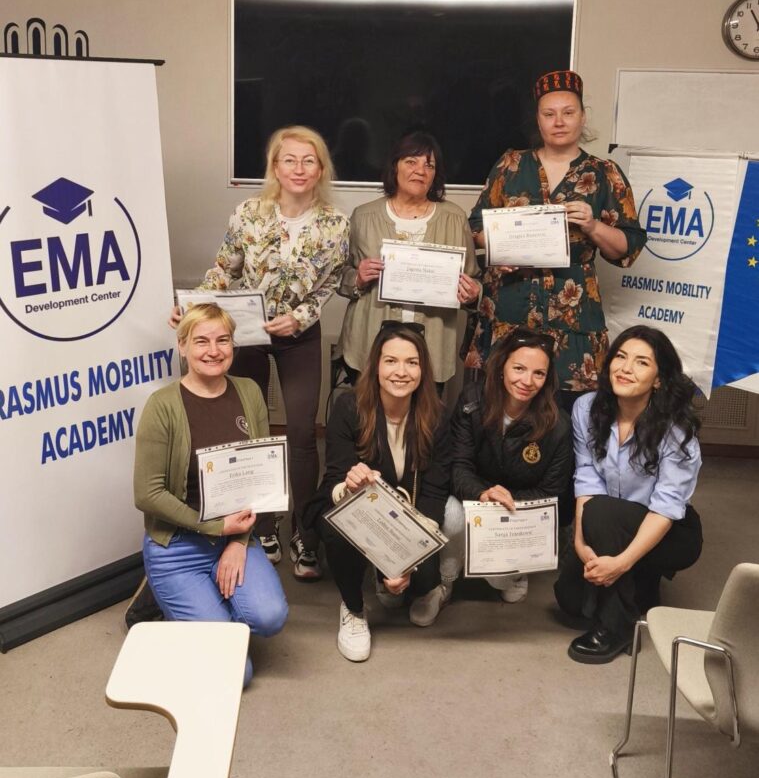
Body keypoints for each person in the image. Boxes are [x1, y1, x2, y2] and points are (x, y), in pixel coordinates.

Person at [174, 125, 350, 580]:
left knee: (301, 433)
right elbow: (224, 269)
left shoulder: (335, 223)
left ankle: (304, 533)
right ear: (275, 166)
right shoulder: (248, 214)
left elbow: (331, 282)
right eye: (289, 159)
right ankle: (263, 526)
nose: (298, 169)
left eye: (308, 160)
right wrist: (192, 308)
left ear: (321, 169)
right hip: (248, 333)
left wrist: (301, 317)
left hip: (299, 338)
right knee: (250, 430)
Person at [466, 70, 647, 413]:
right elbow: (476, 224)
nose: (559, 122)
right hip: (510, 304)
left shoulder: (604, 173)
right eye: (549, 114)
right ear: (538, 120)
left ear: (583, 116)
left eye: (568, 112)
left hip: (572, 315)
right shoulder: (511, 165)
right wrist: (500, 249)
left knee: (568, 413)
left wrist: (593, 225)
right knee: (497, 408)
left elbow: (628, 247)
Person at [134, 304, 288, 688]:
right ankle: (173, 603)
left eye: (223, 340)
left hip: (233, 536)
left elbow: (260, 477)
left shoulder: (249, 391)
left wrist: (237, 542)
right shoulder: (162, 406)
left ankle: (202, 617)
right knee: (240, 675)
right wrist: (216, 528)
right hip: (178, 547)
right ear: (182, 346)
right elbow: (147, 494)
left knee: (270, 617)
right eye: (201, 341)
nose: (213, 351)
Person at [554, 326, 703, 664]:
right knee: (570, 601)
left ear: (659, 379)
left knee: (604, 513)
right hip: (604, 523)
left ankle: (615, 629)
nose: (625, 368)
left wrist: (620, 564)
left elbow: (666, 508)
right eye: (620, 357)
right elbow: (586, 479)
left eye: (641, 362)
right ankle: (641, 579)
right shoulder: (586, 408)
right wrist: (580, 544)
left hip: (668, 529)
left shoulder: (676, 428)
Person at [304, 324, 451, 662]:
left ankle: (430, 585)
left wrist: (406, 560)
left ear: (424, 370)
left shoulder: (438, 416)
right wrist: (349, 485)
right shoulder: (349, 407)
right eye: (391, 361)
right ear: (376, 365)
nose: (401, 372)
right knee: (336, 525)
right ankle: (353, 608)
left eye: (412, 362)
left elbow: (434, 491)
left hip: (411, 516)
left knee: (419, 583)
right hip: (363, 512)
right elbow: (333, 480)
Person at [441, 327, 573, 605]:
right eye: (519, 368)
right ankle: (445, 580)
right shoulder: (472, 400)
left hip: (517, 509)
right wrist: (483, 495)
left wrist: (506, 503)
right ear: (502, 367)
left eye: (539, 373)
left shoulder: (558, 425)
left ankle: (512, 575)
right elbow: (457, 464)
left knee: (504, 586)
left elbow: (552, 492)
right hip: (475, 496)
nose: (527, 381)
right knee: (451, 516)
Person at [337, 131, 480, 387]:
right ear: (395, 166)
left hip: (432, 345)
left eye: (429, 165)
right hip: (369, 341)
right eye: (411, 162)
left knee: (426, 413)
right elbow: (339, 275)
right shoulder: (363, 216)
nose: (420, 171)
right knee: (369, 412)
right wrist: (357, 278)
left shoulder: (454, 218)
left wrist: (472, 294)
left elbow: (474, 279)